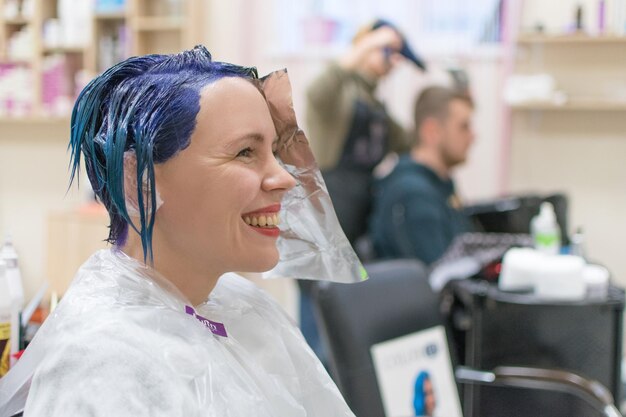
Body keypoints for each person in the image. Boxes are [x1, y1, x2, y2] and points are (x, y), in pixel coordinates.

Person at [0, 46, 356, 417]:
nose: (284, 178)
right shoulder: (103, 364)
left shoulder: (242, 306)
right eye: (245, 153)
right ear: (140, 184)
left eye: (274, 152)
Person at [306, 18, 426, 244]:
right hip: (327, 207)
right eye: (388, 52)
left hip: (360, 211)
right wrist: (370, 44)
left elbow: (410, 143)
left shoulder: (376, 108)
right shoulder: (339, 94)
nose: (394, 62)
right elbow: (316, 93)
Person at [369, 85, 475, 265]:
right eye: (463, 127)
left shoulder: (438, 184)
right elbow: (439, 276)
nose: (473, 136)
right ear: (432, 131)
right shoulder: (415, 195)